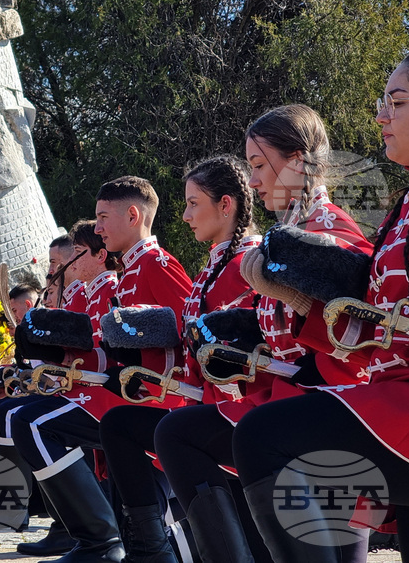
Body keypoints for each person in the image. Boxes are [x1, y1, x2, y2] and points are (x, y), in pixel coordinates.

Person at [233, 47, 409, 562]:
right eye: (382, 102)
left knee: (266, 439)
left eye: (397, 101)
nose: (381, 116)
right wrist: (298, 300)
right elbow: (379, 325)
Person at [154, 105, 373, 563]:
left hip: (335, 400)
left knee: (203, 435)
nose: (253, 181)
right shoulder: (297, 228)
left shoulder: (327, 228)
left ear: (296, 162)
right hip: (295, 393)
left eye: (258, 165)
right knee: (181, 434)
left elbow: (362, 332)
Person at [7, 176, 192, 563]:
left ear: (133, 215)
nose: (100, 228)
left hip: (157, 401)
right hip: (129, 396)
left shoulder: (156, 264)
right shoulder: (132, 271)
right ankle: (105, 541)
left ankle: (97, 539)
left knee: (35, 424)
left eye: (103, 217)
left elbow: (190, 327)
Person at [98, 156, 260, 563]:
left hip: (232, 405)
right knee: (120, 425)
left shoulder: (240, 262)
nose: (184, 215)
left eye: (192, 203)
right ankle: (145, 546)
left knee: (166, 432)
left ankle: (153, 546)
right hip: (197, 399)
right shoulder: (216, 261)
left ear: (227, 205)